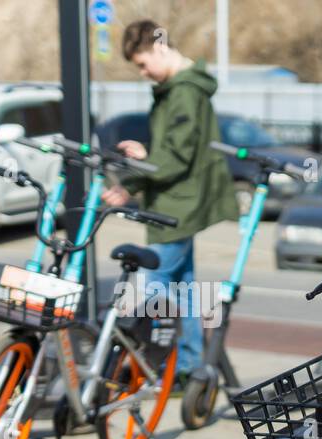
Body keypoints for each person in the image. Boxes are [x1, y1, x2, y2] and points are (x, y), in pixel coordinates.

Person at [101, 20, 239, 386]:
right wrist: (137, 175)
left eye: (143, 64)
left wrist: (135, 173)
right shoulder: (177, 90)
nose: (144, 74)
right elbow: (171, 154)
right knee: (183, 288)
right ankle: (190, 366)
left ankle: (142, 365)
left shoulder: (183, 93)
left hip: (175, 207)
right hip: (178, 203)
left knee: (151, 288)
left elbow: (174, 157)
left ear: (160, 48)